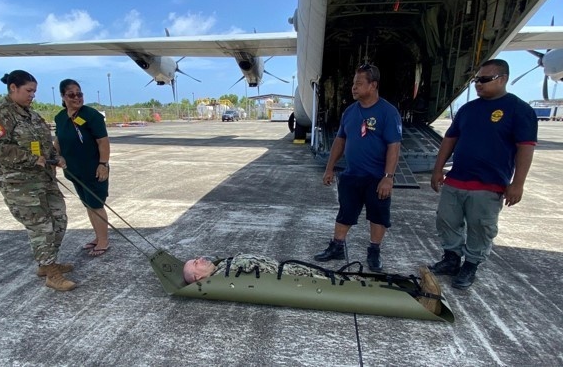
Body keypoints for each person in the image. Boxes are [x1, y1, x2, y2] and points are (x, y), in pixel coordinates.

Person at [429, 59, 537, 290]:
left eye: (484, 79)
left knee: (480, 226)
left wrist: (517, 184)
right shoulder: (467, 109)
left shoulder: (519, 110)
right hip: (457, 179)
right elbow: (450, 139)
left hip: (489, 184)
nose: (478, 84)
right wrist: (438, 169)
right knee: (446, 220)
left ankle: (471, 264)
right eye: (476, 80)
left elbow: (525, 148)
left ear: (503, 79)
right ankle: (451, 258)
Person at [0, 70, 76, 291]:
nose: (32, 95)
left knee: (59, 219)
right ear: (13, 88)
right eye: (28, 90)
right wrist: (32, 159)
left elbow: (44, 143)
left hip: (44, 179)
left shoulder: (31, 115)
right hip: (19, 183)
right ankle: (51, 273)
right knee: (41, 226)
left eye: (34, 91)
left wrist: (55, 157)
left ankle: (47, 262)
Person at [314, 64, 402, 272]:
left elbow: (394, 146)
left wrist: (388, 177)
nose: (354, 88)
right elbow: (339, 141)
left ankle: (374, 251)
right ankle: (337, 246)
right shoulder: (350, 112)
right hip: (352, 175)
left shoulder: (388, 112)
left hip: (377, 178)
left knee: (378, 216)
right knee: (346, 212)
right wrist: (329, 168)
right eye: (354, 84)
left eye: (359, 84)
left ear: (373, 85)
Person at [183, 254, 442, 315]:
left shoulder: (222, 265)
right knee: (343, 286)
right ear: (197, 280)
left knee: (344, 280)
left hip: (290, 270)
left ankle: (407, 288)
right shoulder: (219, 281)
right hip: (291, 279)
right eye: (195, 263)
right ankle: (420, 302)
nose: (200, 258)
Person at [54, 79, 111, 257]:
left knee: (96, 204)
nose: (77, 98)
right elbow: (59, 141)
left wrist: (103, 164)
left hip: (93, 169)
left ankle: (104, 240)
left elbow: (103, 142)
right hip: (74, 171)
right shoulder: (61, 117)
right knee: (88, 204)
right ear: (63, 97)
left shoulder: (91, 115)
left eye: (79, 94)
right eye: (71, 95)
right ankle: (98, 236)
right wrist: (55, 156)